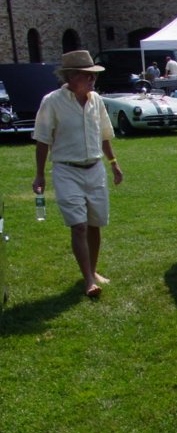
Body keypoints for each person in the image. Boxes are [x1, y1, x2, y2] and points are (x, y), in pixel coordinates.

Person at [31, 50, 124, 298]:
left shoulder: (97, 101)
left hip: (95, 169)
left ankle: (93, 271)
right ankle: (87, 281)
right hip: (66, 170)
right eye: (87, 76)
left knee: (95, 225)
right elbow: (42, 141)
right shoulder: (52, 102)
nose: (92, 81)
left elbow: (104, 135)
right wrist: (39, 175)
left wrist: (113, 163)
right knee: (79, 226)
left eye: (94, 76)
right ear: (70, 77)